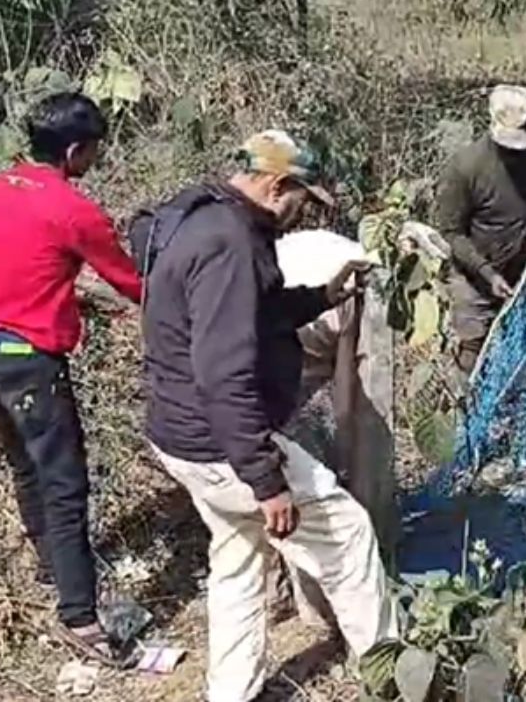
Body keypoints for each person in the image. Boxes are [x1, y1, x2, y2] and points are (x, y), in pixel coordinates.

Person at [138, 130, 399, 702]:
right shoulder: (230, 241)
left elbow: (252, 309)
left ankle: (231, 692)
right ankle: (393, 678)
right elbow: (223, 374)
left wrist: (323, 297)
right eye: (302, 201)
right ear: (276, 184)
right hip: (218, 444)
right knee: (347, 532)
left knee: (238, 554)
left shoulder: (197, 213)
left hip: (177, 434)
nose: (301, 213)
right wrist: (265, 478)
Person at [0, 93, 143, 664]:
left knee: (26, 465)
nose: (94, 161)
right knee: (65, 484)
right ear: (73, 150)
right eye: (92, 152)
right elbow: (135, 284)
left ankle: (50, 569)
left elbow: (3, 266)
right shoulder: (72, 209)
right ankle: (80, 619)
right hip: (30, 360)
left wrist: (68, 301)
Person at [435, 84, 526, 375]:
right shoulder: (466, 166)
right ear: (492, 123)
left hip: (522, 275)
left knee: (525, 348)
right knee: (472, 350)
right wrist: (487, 272)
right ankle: (464, 414)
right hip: (474, 279)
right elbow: (451, 232)